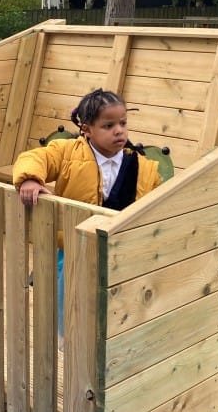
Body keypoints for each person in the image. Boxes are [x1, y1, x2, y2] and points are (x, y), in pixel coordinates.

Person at [12, 88, 163, 345]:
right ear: (87, 130)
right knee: (68, 292)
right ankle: (64, 337)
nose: (119, 130)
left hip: (119, 245)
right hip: (73, 242)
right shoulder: (68, 152)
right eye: (108, 125)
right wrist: (29, 179)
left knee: (114, 295)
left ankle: (110, 337)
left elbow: (157, 197)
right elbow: (36, 157)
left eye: (123, 123)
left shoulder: (142, 166)